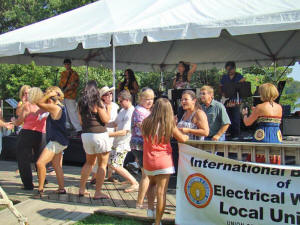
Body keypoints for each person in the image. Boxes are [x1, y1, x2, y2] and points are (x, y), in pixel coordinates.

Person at [142, 98, 189, 225]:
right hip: (163, 160)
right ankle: (158, 222)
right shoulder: (169, 124)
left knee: (151, 184)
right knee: (161, 192)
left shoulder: (145, 122)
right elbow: (182, 139)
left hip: (148, 159)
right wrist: (186, 135)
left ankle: (150, 209)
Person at [78, 80, 111, 199]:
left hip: (86, 135)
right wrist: (108, 108)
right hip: (99, 135)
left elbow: (81, 121)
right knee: (102, 165)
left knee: (89, 163)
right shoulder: (97, 102)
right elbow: (106, 120)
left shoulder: (81, 103)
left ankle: (81, 189)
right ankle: (98, 192)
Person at [35, 87, 69, 196]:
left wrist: (48, 95)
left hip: (56, 141)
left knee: (40, 163)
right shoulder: (61, 107)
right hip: (61, 141)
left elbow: (39, 103)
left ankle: (40, 190)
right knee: (56, 165)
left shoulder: (54, 107)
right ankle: (61, 188)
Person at [12, 87, 48, 190]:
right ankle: (42, 180)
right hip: (41, 134)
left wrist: (14, 121)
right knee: (40, 158)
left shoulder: (27, 105)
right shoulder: (45, 106)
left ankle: (28, 184)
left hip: (27, 132)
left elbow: (19, 121)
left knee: (23, 158)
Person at [108, 90, 139, 192]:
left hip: (123, 143)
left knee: (115, 165)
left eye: (121, 101)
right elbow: (114, 123)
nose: (119, 103)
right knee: (112, 163)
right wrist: (100, 125)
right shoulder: (122, 111)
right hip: (117, 142)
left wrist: (107, 134)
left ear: (127, 100)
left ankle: (134, 182)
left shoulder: (132, 112)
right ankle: (129, 179)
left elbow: (125, 132)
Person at [130, 87, 155, 208]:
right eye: (147, 99)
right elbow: (144, 129)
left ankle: (143, 199)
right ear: (141, 99)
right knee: (146, 175)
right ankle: (139, 203)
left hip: (143, 144)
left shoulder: (145, 110)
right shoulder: (140, 111)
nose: (149, 101)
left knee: (146, 174)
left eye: (151, 99)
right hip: (141, 145)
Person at [90, 86, 119, 184]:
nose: (110, 95)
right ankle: (94, 177)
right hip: (104, 132)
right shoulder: (100, 106)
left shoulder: (115, 105)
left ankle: (110, 175)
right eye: (107, 94)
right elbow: (104, 120)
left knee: (111, 155)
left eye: (110, 93)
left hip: (114, 133)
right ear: (102, 97)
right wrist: (108, 110)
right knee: (101, 156)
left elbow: (116, 120)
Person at [220, 61, 246, 139]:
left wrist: (238, 83)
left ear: (234, 68)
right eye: (228, 70)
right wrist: (222, 93)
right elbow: (220, 86)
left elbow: (243, 84)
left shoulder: (239, 76)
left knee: (236, 117)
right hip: (227, 99)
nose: (229, 71)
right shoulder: (225, 77)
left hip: (236, 99)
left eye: (231, 69)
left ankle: (236, 135)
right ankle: (228, 133)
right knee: (227, 116)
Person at [59, 58, 82, 135]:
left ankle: (78, 128)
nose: (66, 65)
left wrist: (67, 89)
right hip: (63, 95)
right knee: (64, 112)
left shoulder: (74, 74)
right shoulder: (63, 73)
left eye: (68, 64)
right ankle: (68, 127)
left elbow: (74, 84)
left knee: (72, 111)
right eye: (65, 64)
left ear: (70, 64)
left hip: (71, 95)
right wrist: (62, 90)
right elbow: (61, 83)